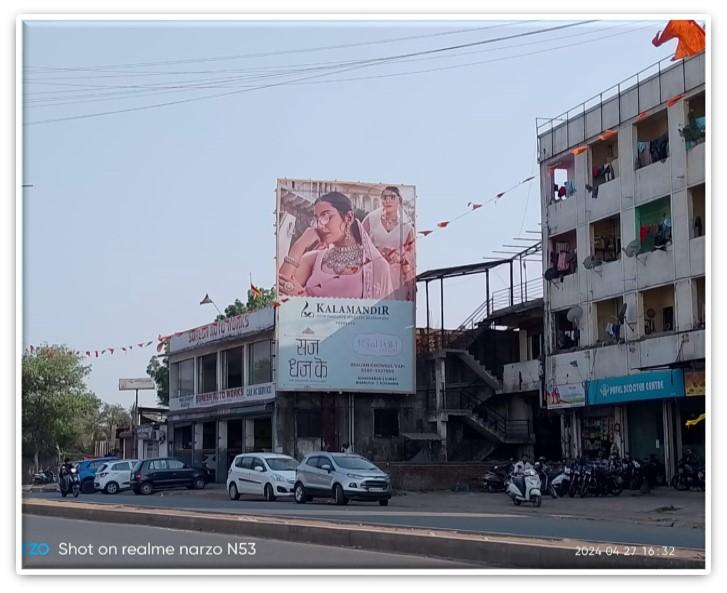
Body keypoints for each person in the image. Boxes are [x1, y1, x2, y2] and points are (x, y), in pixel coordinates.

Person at [278, 192, 393, 299]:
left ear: (348, 218)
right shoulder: (314, 259)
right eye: (317, 219)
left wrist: (303, 297)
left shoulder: (376, 266)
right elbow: (279, 292)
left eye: (326, 217)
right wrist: (300, 245)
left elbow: (384, 317)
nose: (320, 225)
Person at [362, 186, 416, 301]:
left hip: (396, 278)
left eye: (392, 197)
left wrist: (399, 256)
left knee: (394, 312)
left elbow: (411, 256)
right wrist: (375, 254)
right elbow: (359, 243)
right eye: (385, 197)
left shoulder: (406, 228)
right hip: (374, 275)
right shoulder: (371, 220)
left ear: (399, 200)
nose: (388, 200)